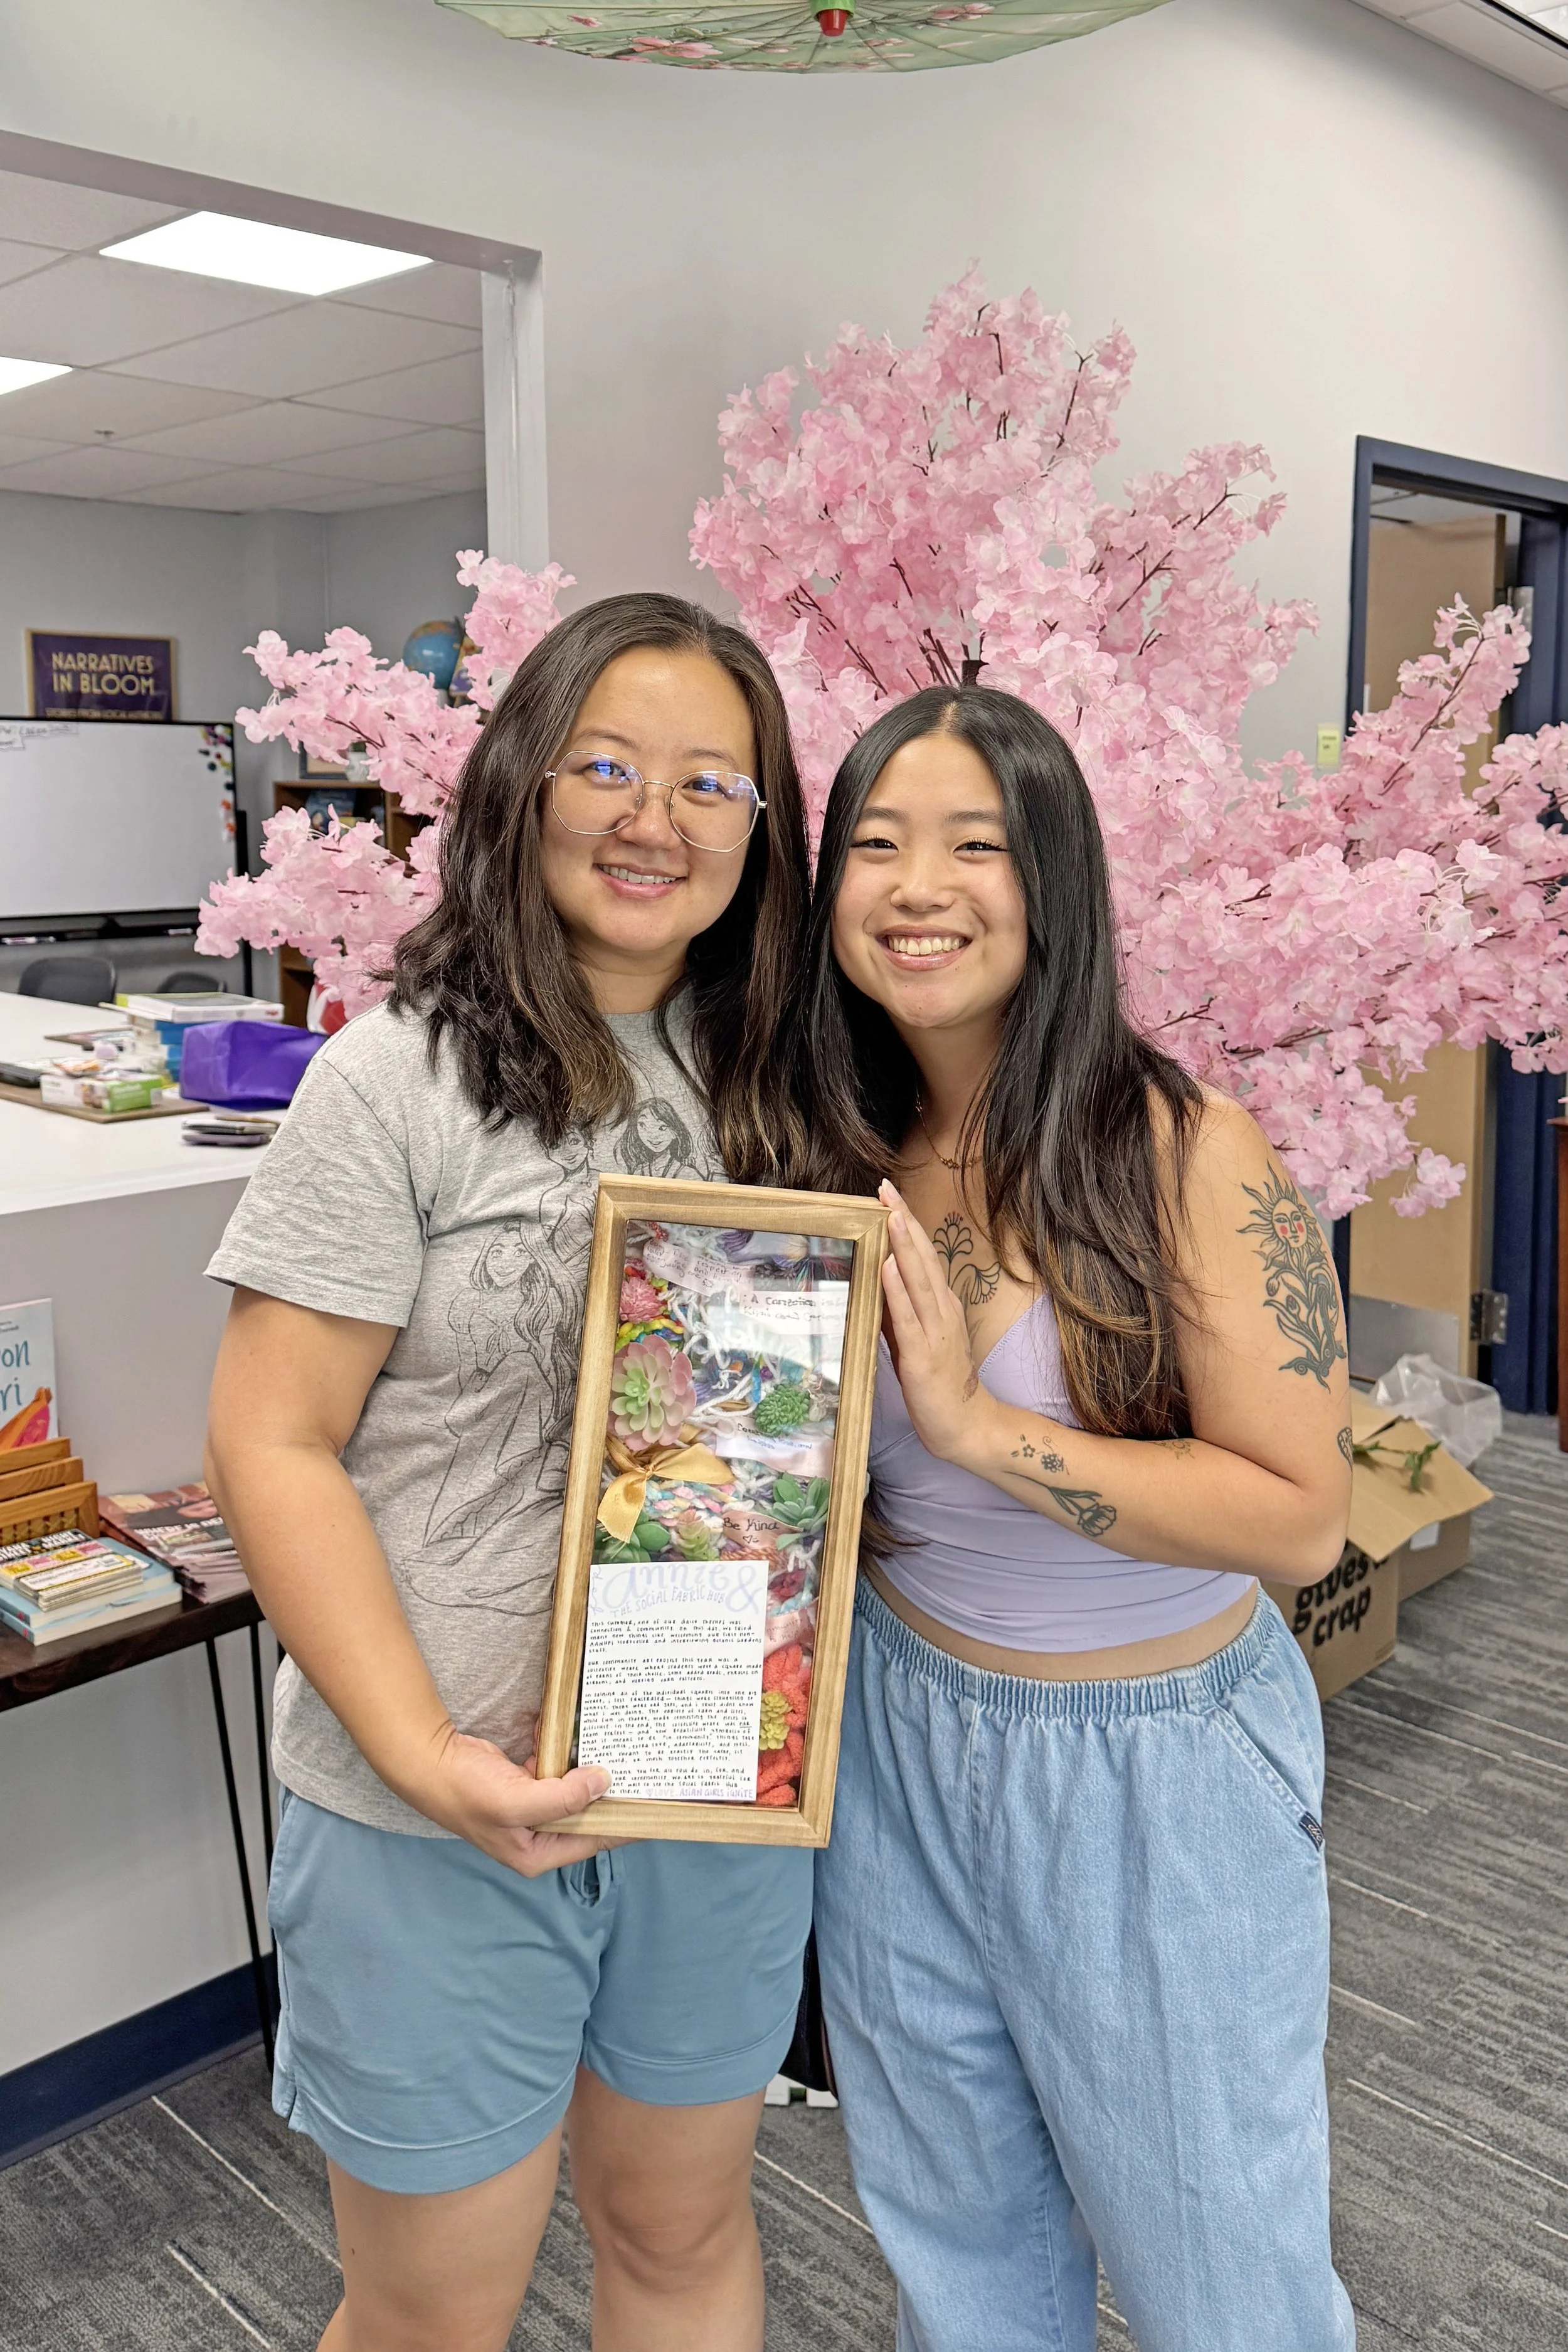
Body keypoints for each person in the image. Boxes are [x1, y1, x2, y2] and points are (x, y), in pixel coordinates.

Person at [204, 594, 813, 2352]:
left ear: (762, 830)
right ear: (518, 787)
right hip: (430, 1809)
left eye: (714, 781)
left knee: (679, 2230)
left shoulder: (790, 1078)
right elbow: (272, 1435)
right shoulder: (394, 1080)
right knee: (429, 2309)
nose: (656, 816)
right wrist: (419, 1745)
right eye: (606, 763)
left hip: (709, 1793)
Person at [799, 683, 1356, 2352]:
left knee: (1220, 2267)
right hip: (897, 1735)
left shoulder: (1179, 1148)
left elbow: (1297, 1516)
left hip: (1153, 1767)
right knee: (953, 2241)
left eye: (976, 844)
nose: (919, 886)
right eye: (876, 843)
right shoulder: (832, 1143)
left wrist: (977, 1429)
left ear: (1056, 882)